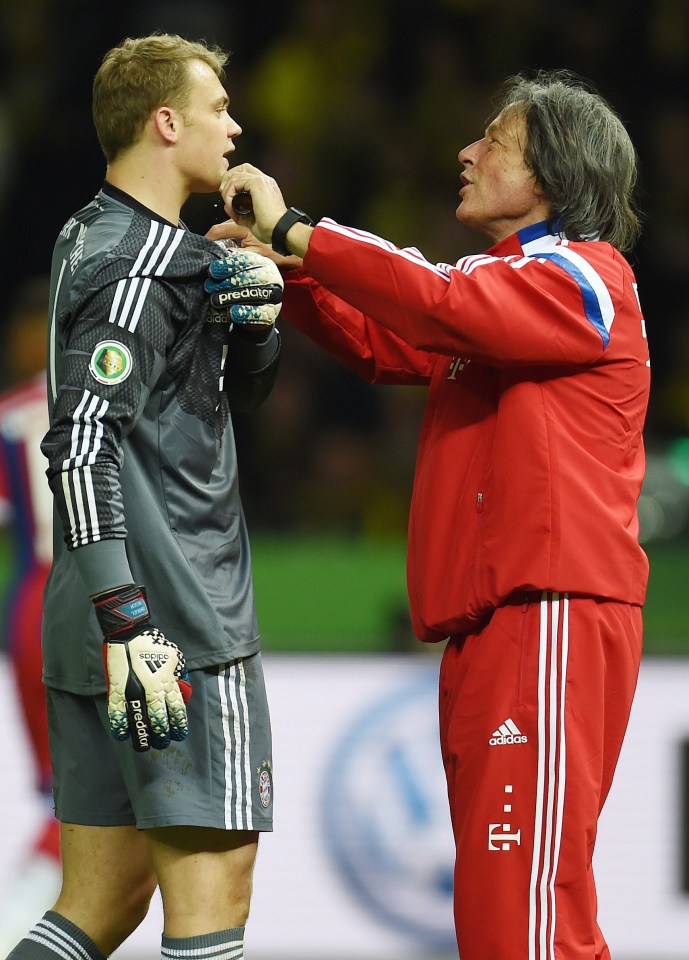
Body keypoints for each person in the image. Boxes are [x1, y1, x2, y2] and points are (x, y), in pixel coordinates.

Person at [207, 70, 650, 960]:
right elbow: (392, 338)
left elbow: (436, 301)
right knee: (516, 913)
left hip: (547, 614)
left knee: (518, 918)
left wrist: (299, 229)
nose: (467, 151)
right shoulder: (510, 296)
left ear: (554, 173)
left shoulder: (581, 277)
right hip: (497, 628)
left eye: (495, 139)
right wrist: (285, 278)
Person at [7, 33, 283, 960]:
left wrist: (248, 331)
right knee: (213, 893)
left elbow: (206, 406)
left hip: (93, 624)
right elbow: (82, 450)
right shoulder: (145, 266)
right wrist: (134, 621)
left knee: (99, 899)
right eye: (217, 108)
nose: (234, 125)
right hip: (170, 629)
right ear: (167, 122)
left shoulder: (90, 234)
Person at [0, 279, 60, 958]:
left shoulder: (13, 414)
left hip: (29, 611)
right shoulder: (121, 398)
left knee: (71, 793)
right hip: (99, 607)